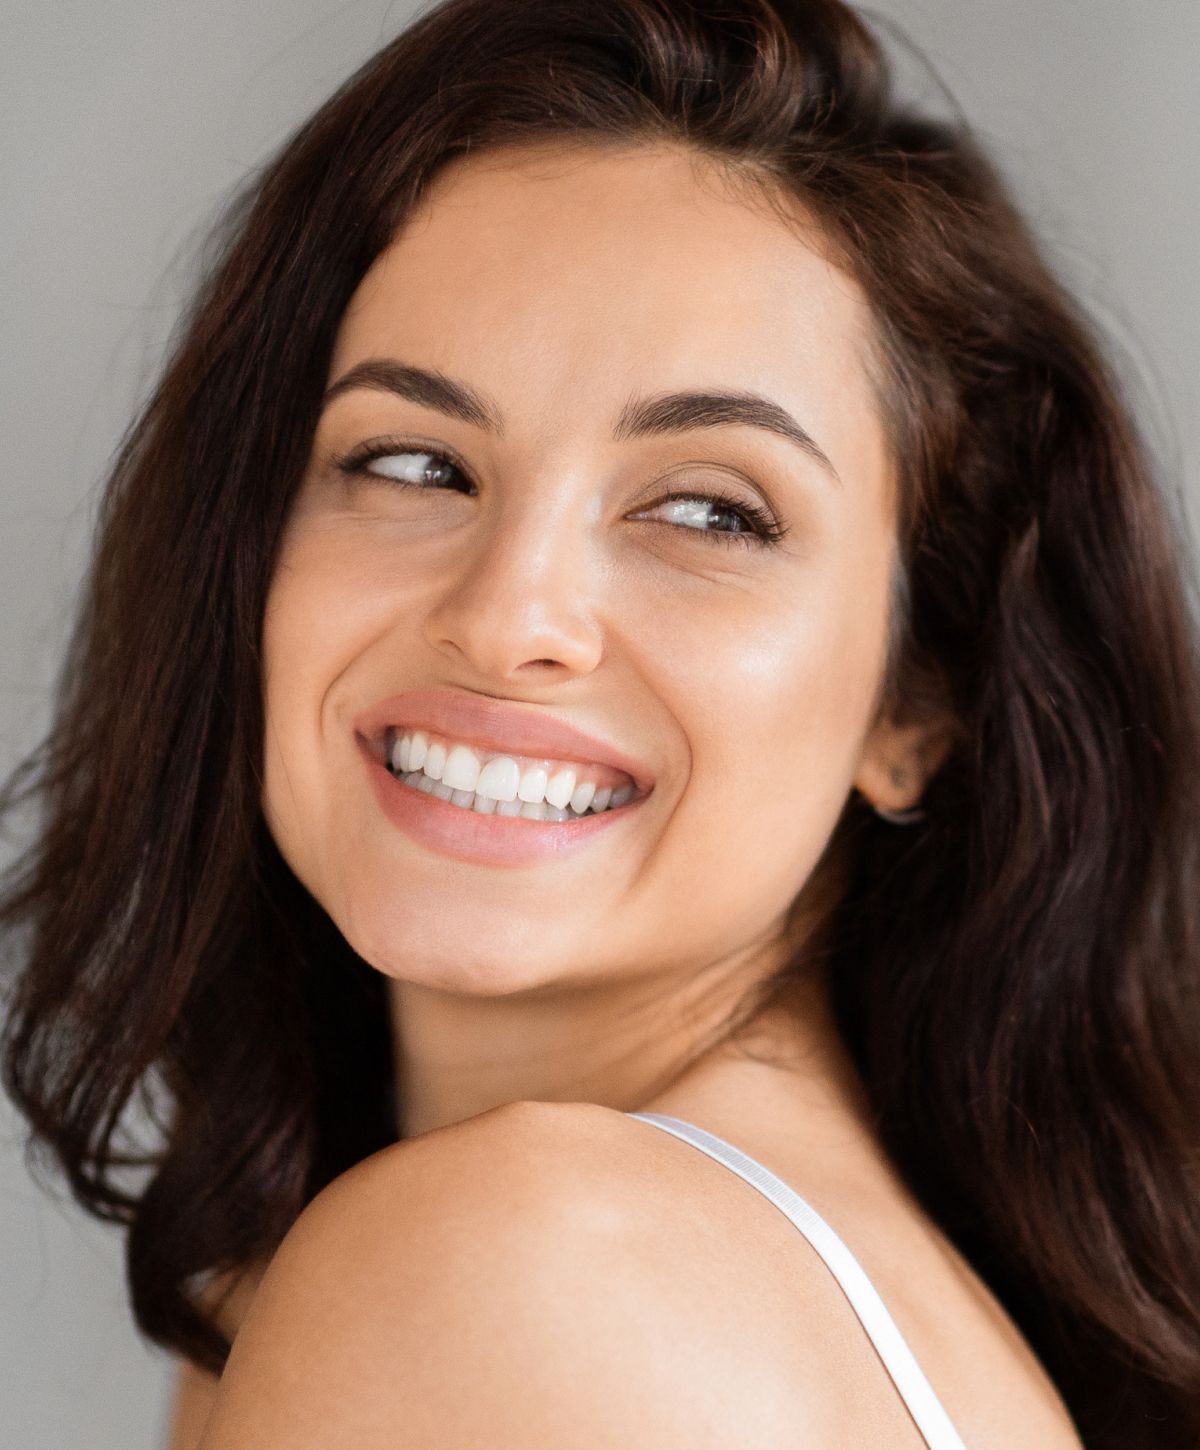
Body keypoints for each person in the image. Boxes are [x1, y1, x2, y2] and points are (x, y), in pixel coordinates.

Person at [2, 0, 1198, 1445]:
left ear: (918, 693)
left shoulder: (507, 1272)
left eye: (708, 508)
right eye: (411, 460)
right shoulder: (713, 1279)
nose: (510, 615)